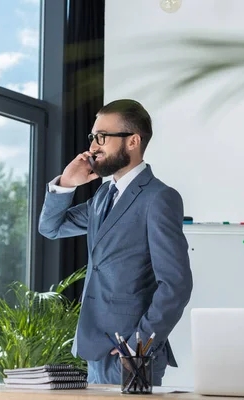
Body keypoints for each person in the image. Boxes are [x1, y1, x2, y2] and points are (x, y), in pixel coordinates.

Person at [38, 99, 193, 386]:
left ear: (133, 141)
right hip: (95, 347)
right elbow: (51, 228)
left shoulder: (158, 198)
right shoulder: (102, 197)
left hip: (131, 353)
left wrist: (139, 344)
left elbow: (175, 284)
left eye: (102, 137)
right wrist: (66, 184)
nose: (93, 146)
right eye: (92, 137)